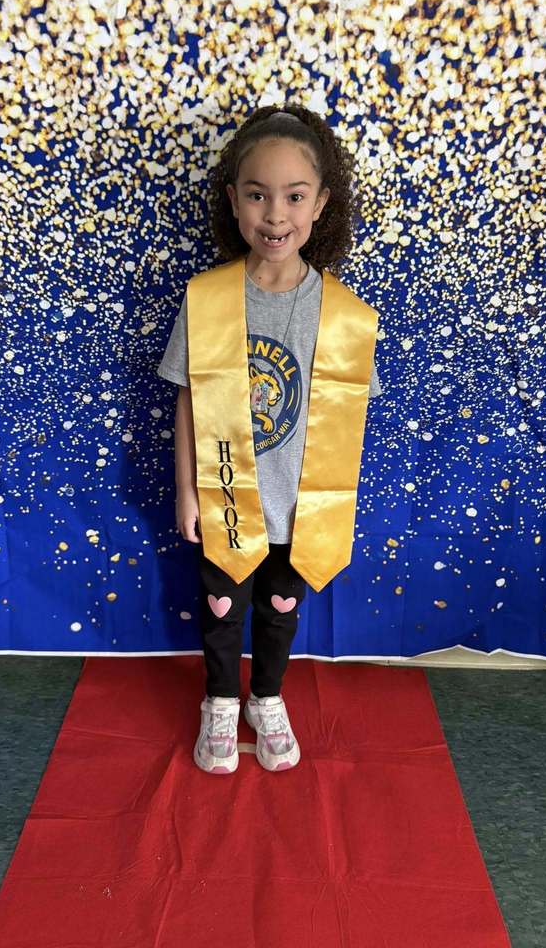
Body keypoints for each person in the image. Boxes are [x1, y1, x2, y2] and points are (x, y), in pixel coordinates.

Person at [157, 104, 383, 776]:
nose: (275, 214)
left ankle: (267, 698)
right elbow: (189, 398)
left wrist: (337, 504)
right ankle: (221, 704)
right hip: (227, 497)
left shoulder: (344, 316)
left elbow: (348, 421)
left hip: (302, 504)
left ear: (320, 205)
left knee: (281, 608)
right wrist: (186, 491)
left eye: (294, 196)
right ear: (233, 202)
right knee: (224, 607)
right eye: (256, 195)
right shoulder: (208, 299)